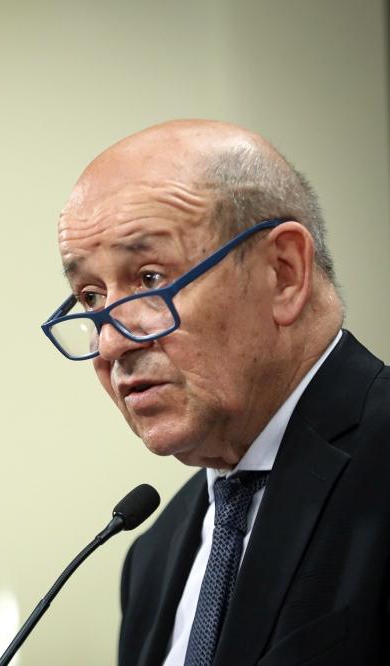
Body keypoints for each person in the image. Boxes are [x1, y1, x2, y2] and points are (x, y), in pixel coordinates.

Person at [41, 120, 390, 665]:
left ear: (283, 273)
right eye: (90, 296)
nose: (109, 342)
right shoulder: (150, 560)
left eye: (151, 279)